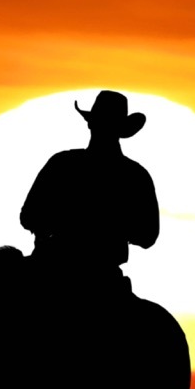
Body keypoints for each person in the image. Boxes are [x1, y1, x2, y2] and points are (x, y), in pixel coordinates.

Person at [19, 90, 160, 297]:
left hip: (63, 274)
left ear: (90, 123)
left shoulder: (61, 164)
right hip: (98, 278)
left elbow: (28, 216)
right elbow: (148, 235)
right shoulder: (136, 175)